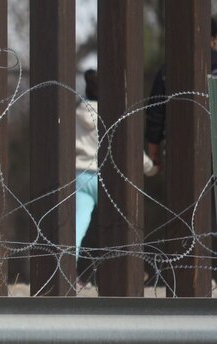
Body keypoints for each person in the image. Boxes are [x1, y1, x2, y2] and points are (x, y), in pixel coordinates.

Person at [76, 69, 157, 260]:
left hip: (80, 176)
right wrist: (150, 168)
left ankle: (68, 269)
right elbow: (131, 148)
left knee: (77, 227)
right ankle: (123, 267)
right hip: (109, 177)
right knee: (120, 227)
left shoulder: (76, 114)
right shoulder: (112, 116)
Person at [144, 17, 217, 168]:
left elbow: (155, 112)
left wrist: (154, 151)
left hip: (181, 149)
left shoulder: (169, 68)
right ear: (214, 40)